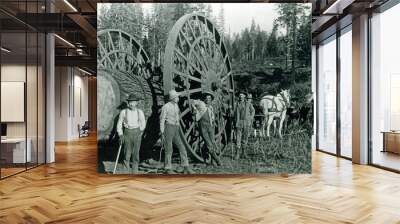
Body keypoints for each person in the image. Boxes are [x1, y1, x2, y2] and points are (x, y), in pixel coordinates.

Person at [160, 89, 194, 174]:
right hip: (168, 128)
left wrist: (178, 126)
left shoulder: (176, 106)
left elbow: (177, 117)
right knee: (169, 148)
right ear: (173, 98)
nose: (178, 98)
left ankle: (185, 166)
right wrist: (162, 131)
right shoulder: (166, 107)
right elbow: (162, 120)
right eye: (176, 97)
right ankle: (167, 168)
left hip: (176, 128)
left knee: (182, 147)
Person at [117, 94, 146, 174]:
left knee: (136, 154)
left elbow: (143, 122)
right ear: (128, 103)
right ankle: (125, 172)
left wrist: (140, 130)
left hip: (137, 133)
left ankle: (135, 172)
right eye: (130, 102)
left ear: (136, 103)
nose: (131, 104)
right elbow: (119, 124)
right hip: (127, 133)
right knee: (127, 154)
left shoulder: (139, 112)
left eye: (133, 102)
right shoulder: (123, 112)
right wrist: (120, 134)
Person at [191, 91, 222, 166]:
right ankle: (218, 160)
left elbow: (212, 117)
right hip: (203, 126)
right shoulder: (201, 104)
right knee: (208, 144)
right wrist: (194, 109)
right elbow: (192, 102)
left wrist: (213, 121)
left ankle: (211, 161)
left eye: (209, 98)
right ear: (204, 99)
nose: (208, 99)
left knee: (212, 142)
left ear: (211, 100)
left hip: (210, 126)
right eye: (206, 98)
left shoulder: (211, 107)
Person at [234, 91, 254, 159]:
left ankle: (244, 153)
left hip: (247, 122)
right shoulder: (236, 104)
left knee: (245, 138)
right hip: (239, 122)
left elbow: (253, 111)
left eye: (242, 95)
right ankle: (237, 154)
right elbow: (234, 113)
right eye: (240, 95)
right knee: (238, 138)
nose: (241, 96)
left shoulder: (248, 103)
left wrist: (251, 118)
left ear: (245, 96)